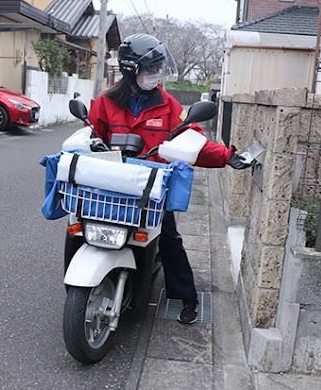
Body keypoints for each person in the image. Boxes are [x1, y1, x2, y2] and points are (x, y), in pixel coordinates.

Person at [86, 33, 249, 324]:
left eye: (158, 67)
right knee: (78, 228)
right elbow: (91, 136)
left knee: (170, 240)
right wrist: (92, 145)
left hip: (150, 190)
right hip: (111, 185)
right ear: (132, 69)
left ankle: (186, 297)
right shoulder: (106, 102)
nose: (156, 74)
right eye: (151, 68)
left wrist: (227, 155)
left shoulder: (169, 106)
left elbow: (191, 141)